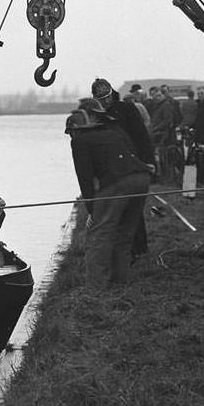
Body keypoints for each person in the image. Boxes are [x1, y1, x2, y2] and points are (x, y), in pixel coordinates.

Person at [67, 98, 152, 287]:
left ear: (74, 130)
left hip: (119, 183)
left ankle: (95, 288)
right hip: (141, 179)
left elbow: (85, 179)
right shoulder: (112, 131)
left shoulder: (80, 140)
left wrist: (92, 211)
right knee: (124, 233)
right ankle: (120, 281)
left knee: (99, 235)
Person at [90, 78, 155, 259]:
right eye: (101, 99)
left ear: (112, 93)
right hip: (110, 168)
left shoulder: (127, 109)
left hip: (132, 164)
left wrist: (148, 161)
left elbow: (141, 136)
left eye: (107, 97)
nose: (105, 102)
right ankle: (120, 250)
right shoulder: (96, 114)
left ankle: (138, 248)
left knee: (133, 207)